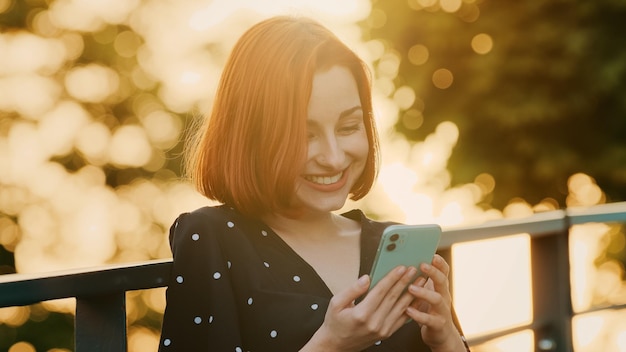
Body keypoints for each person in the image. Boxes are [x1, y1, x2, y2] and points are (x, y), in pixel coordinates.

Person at [158, 15, 471, 352]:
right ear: (250, 136)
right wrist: (331, 344)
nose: (334, 158)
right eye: (304, 135)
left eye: (349, 126)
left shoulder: (392, 246)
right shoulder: (213, 238)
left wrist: (446, 340)